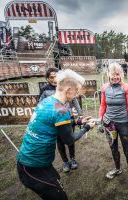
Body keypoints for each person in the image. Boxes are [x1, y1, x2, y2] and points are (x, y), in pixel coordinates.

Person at [17, 69, 96, 200]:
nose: (76, 95)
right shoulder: (61, 109)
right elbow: (69, 140)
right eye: (76, 91)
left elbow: (55, 122)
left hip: (33, 162)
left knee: (57, 181)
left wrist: (78, 121)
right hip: (32, 166)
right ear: (68, 89)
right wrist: (87, 127)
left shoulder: (47, 101)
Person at [99, 63, 128, 191]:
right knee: (113, 148)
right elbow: (102, 105)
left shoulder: (127, 88)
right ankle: (117, 169)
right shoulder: (104, 87)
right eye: (113, 74)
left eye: (118, 74)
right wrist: (101, 121)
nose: (115, 77)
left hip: (123, 124)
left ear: (121, 74)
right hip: (109, 124)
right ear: (109, 74)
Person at [39, 67, 83, 173]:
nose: (54, 79)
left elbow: (74, 100)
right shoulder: (46, 91)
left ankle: (72, 158)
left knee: (69, 139)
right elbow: (40, 103)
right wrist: (86, 127)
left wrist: (79, 115)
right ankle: (65, 161)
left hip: (67, 117)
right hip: (57, 119)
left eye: (56, 77)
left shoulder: (65, 88)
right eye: (51, 77)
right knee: (61, 142)